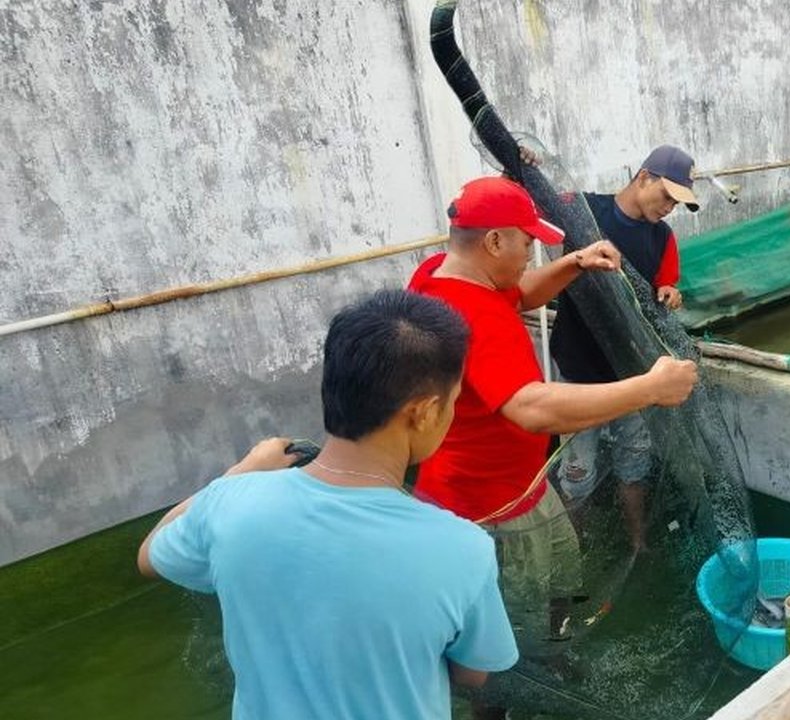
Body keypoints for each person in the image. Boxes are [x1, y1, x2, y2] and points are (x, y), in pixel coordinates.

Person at [137, 290, 517, 720]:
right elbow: (472, 673)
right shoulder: (462, 548)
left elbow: (150, 555)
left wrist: (244, 469)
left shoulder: (229, 505)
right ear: (424, 412)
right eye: (454, 400)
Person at [406, 176, 697, 719]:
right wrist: (649, 389)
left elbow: (518, 291)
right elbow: (531, 407)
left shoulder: (438, 277)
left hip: (521, 486)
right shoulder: (476, 316)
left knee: (562, 576)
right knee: (502, 619)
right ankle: (501, 702)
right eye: (527, 243)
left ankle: (557, 655)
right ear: (494, 242)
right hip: (492, 510)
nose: (531, 253)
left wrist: (574, 263)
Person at [549, 144, 700, 550]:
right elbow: (530, 200)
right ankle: (572, 550)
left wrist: (669, 291)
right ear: (644, 177)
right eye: (666, 195)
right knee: (577, 471)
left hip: (634, 373)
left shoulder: (662, 238)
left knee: (633, 464)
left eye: (677, 202)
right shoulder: (583, 210)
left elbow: (668, 282)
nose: (669, 207)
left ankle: (638, 543)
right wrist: (521, 164)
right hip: (579, 370)